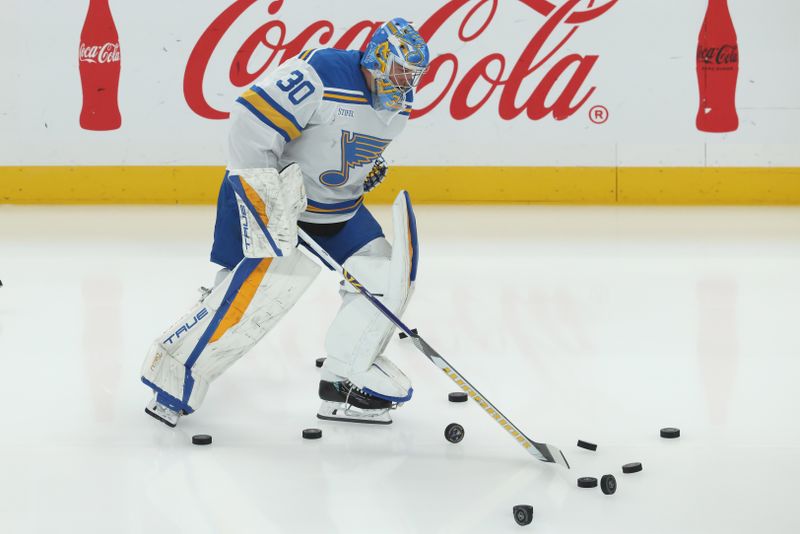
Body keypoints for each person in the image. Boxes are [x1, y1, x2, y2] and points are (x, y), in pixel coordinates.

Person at [140, 18, 430, 427]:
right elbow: (249, 122)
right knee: (247, 299)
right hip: (277, 201)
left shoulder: (399, 102)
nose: (407, 81)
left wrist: (363, 168)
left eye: (414, 74)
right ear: (378, 57)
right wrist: (267, 200)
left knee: (386, 277)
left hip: (338, 211)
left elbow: (339, 142)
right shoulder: (323, 72)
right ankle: (170, 378)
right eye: (401, 70)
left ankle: (345, 379)